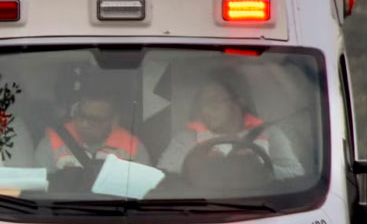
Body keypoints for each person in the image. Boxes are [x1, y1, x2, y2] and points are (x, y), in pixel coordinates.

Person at [158, 76, 305, 180]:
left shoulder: (270, 133)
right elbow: (162, 178)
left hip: (261, 208)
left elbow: (296, 174)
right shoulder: (186, 139)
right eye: (202, 104)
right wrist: (199, 168)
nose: (205, 110)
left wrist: (261, 168)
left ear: (239, 101)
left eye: (214, 101)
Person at [35, 84, 150, 170]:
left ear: (114, 121)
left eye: (94, 120)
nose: (84, 124)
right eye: (81, 115)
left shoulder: (133, 149)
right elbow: (38, 189)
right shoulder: (52, 142)